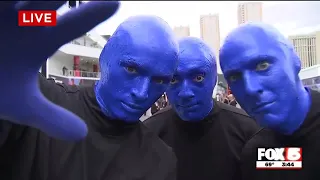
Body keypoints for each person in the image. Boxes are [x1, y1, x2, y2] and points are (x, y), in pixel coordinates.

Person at [0, 2, 179, 180]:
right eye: (131, 70)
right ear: (104, 58)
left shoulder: (160, 160)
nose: (142, 93)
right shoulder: (37, 102)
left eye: (160, 80)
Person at [144, 37, 260, 180]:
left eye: (198, 78)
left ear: (215, 79)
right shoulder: (147, 135)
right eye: (174, 80)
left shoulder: (250, 131)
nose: (185, 93)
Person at [219, 22, 320, 180]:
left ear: (295, 60)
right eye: (234, 77)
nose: (250, 88)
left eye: (262, 66)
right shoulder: (256, 153)